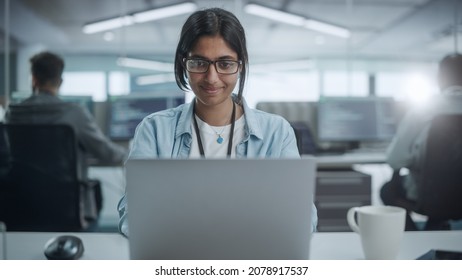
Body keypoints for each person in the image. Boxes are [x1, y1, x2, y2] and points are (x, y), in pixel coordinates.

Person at [117, 7, 318, 236]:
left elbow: (302, 216)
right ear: (185, 63)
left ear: (240, 65)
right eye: (199, 62)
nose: (212, 78)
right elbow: (133, 214)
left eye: (225, 64)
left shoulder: (277, 132)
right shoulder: (154, 130)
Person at [5, 51, 127, 180]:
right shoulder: (74, 113)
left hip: (18, 194)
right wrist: (130, 152)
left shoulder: (12, 114)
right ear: (60, 81)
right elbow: (107, 153)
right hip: (65, 197)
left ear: (34, 79)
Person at [380, 53, 462, 230]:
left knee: (387, 190)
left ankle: (414, 238)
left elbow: (394, 160)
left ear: (440, 79)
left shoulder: (424, 109)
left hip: (429, 195)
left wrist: (420, 158)